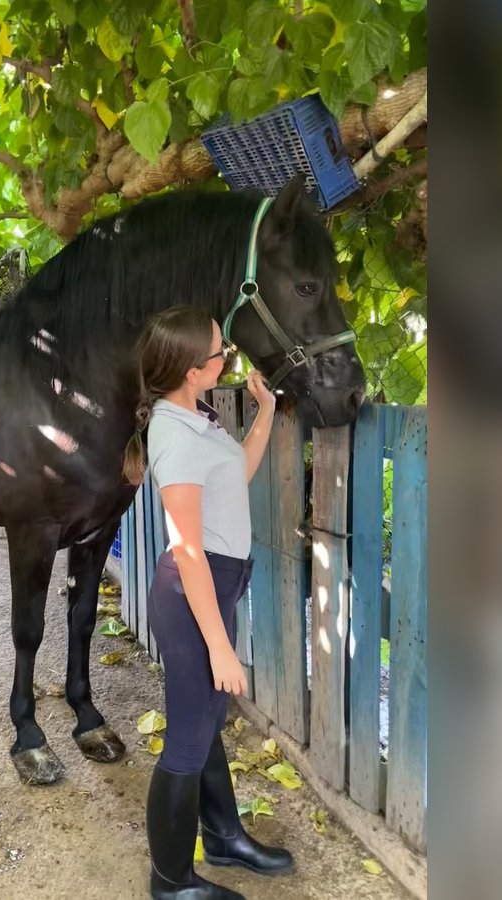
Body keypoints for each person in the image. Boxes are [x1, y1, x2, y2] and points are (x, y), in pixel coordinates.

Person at [123, 306, 295, 900]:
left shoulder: (196, 415)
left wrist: (266, 414)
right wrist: (220, 647)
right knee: (188, 741)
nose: (229, 358)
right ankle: (169, 882)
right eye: (221, 352)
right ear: (193, 371)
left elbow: (234, 476)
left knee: (206, 721)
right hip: (193, 594)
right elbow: (188, 549)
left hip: (212, 589)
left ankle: (223, 837)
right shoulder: (173, 434)